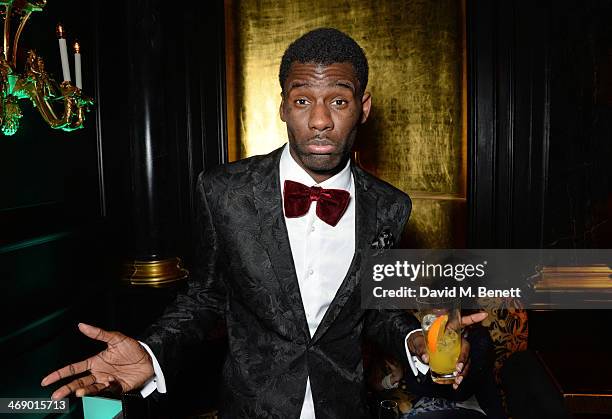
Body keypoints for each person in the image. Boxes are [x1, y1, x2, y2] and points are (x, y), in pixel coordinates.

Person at [41, 28, 497, 418]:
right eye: (303, 100)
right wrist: (153, 352)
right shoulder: (224, 191)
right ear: (282, 105)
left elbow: (374, 310)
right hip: (250, 406)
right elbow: (205, 298)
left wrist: (417, 338)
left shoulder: (390, 206)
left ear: (364, 106)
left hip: (344, 406)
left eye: (338, 100)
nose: (320, 121)